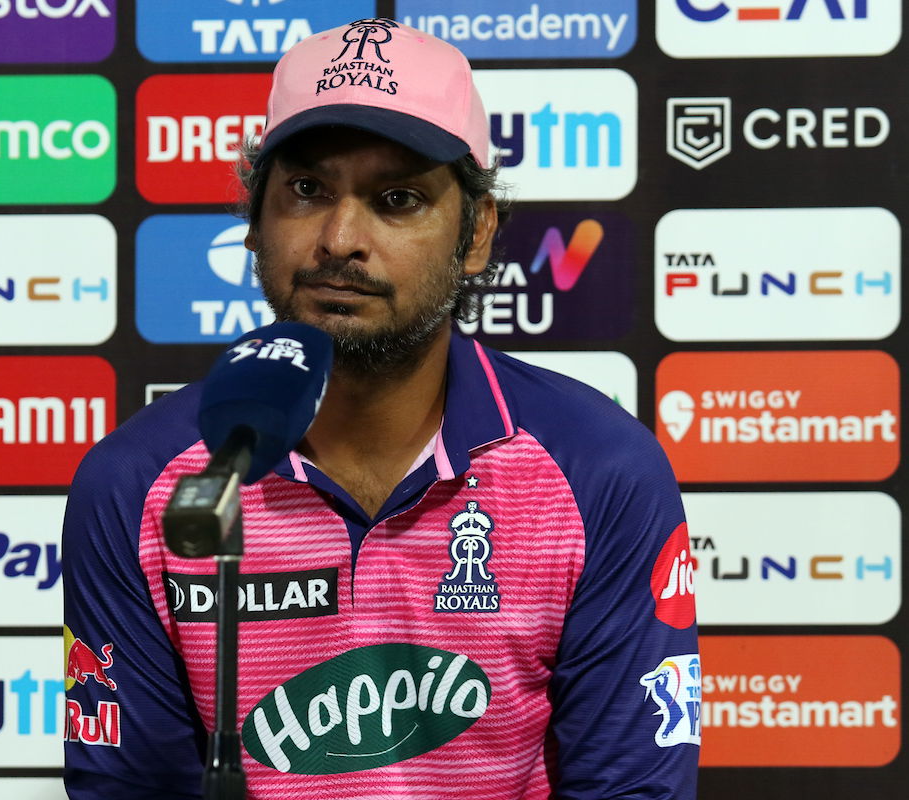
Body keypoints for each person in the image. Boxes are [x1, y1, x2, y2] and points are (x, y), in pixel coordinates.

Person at [63, 17, 700, 799]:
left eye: (396, 199)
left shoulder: (600, 471)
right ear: (254, 218)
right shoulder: (139, 486)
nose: (339, 238)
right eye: (306, 190)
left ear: (477, 234)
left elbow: (627, 791)